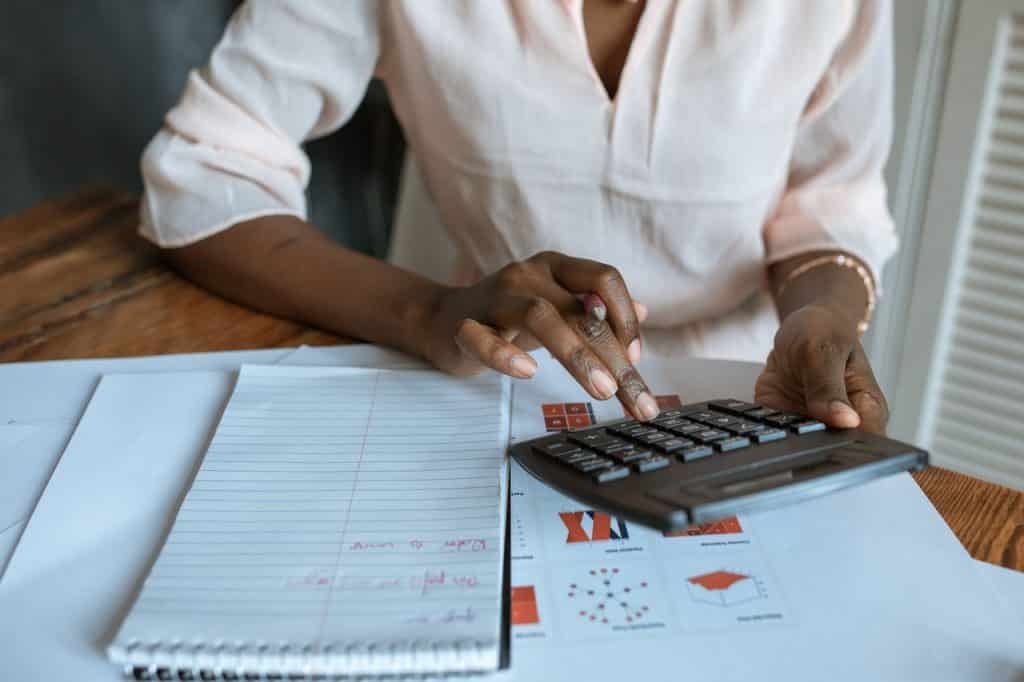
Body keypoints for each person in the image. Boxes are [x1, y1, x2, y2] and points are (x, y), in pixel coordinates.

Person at [140, 0, 895, 432]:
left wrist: (823, 316)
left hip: (754, 395)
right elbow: (205, 171)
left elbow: (832, 200)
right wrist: (426, 311)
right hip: (495, 376)